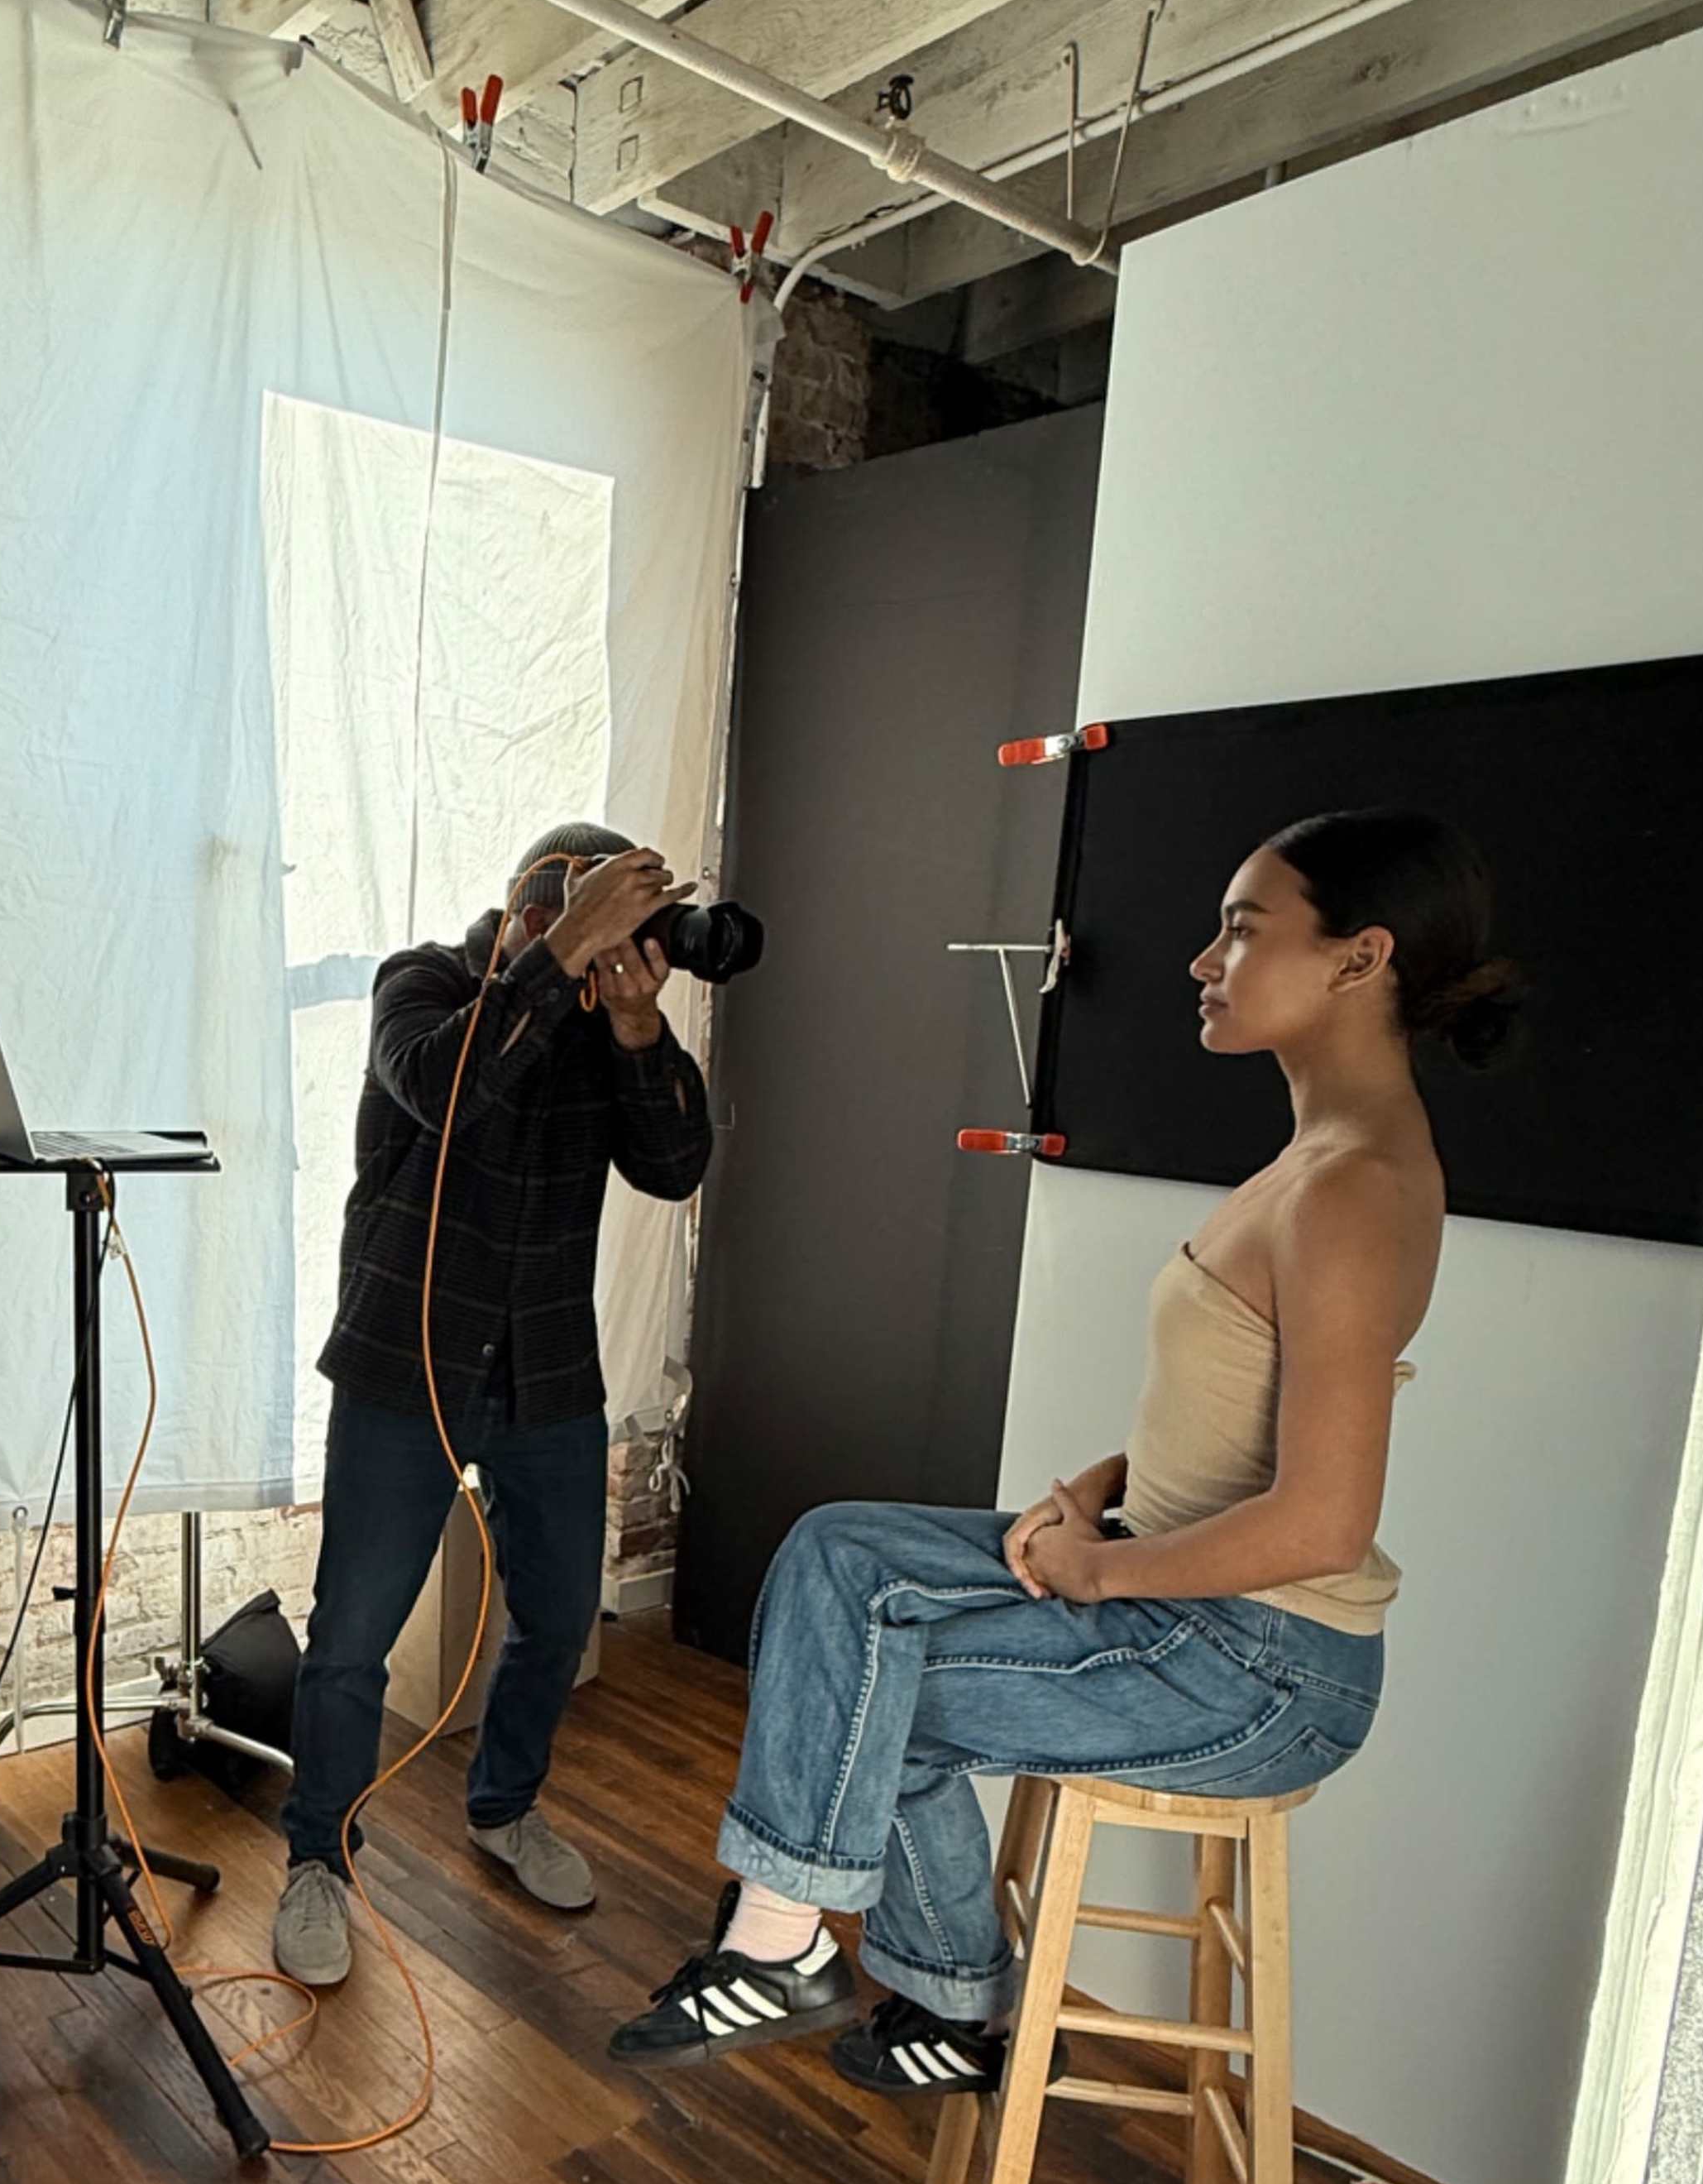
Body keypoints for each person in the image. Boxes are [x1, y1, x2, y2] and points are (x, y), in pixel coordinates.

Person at [609, 807, 1520, 2079]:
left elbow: (1322, 1521)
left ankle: (828, 1963)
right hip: (1183, 1579)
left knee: (876, 1693)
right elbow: (1233, 1415)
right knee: (836, 1555)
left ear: (1361, 959)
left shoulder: (1353, 1187)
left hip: (1262, 1664)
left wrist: (1093, 1569)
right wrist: (1090, 1496)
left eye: (1243, 932)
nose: (1204, 961)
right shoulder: (1314, 1158)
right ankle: (886, 1983)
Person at [274, 821, 715, 1988]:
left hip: (547, 1374)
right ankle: (318, 1857)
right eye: (597, 922)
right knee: (353, 1640)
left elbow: (676, 1167)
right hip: (405, 1367)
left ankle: (503, 1805)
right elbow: (445, 1090)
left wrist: (634, 1023)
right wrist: (557, 957)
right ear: (539, 905)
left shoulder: (591, 1022)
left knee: (563, 1616)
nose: (615, 949)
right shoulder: (424, 981)